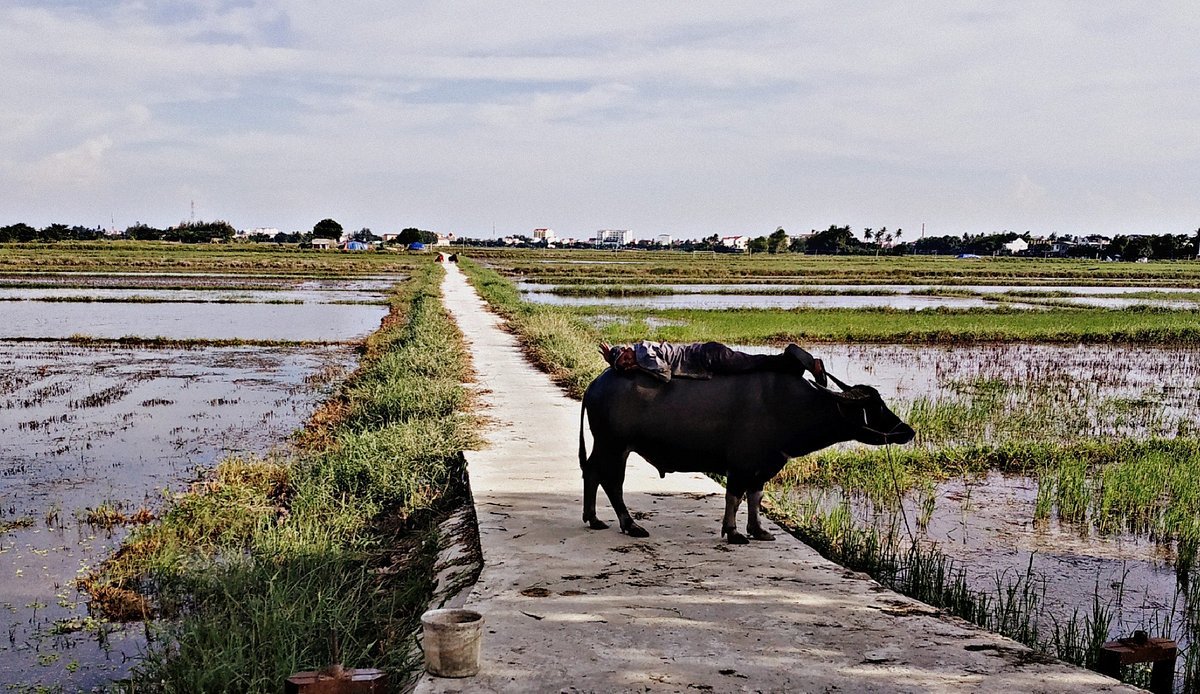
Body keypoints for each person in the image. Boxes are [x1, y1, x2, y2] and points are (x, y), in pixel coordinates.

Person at [600, 340, 827, 386]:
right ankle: (796, 365)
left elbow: (665, 375)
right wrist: (613, 361)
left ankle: (800, 361)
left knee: (753, 364)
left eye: (627, 359)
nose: (629, 363)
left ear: (629, 351)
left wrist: (637, 368)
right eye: (625, 364)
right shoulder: (641, 348)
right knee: (754, 364)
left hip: (708, 358)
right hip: (707, 352)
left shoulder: (644, 356)